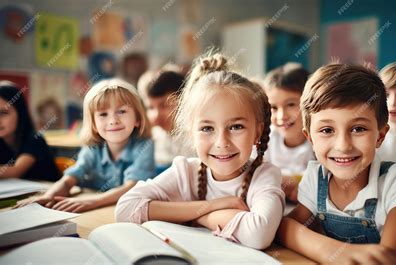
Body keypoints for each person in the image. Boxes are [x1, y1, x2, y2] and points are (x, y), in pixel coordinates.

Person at [116, 53, 285, 249]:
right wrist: (214, 206)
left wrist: (200, 217)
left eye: (236, 127)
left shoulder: (264, 175)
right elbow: (125, 209)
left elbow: (258, 235)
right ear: (191, 133)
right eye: (207, 129)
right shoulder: (185, 171)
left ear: (258, 131)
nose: (222, 142)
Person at [277, 64, 396, 264]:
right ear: (310, 138)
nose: (343, 146)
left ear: (380, 136)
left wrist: (322, 248)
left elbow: (392, 259)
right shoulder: (315, 176)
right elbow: (282, 228)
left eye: (358, 129)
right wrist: (332, 252)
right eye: (327, 130)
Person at [17, 78, 155, 213]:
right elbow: (70, 178)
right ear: (94, 125)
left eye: (122, 111)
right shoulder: (93, 147)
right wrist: (48, 196)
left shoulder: (144, 146)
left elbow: (132, 187)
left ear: (137, 118)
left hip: (119, 211)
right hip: (94, 212)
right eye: (103, 114)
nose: (113, 120)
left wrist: (92, 201)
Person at [0, 81, 59, 181]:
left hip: (46, 193)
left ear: (20, 113)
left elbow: (16, 171)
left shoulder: (35, 140)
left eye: (3, 113)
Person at [263, 63, 315, 202]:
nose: (281, 116)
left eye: (291, 104)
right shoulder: (266, 139)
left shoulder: (319, 139)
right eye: (273, 107)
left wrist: (295, 181)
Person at [138, 64, 192, 170]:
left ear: (184, 100)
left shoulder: (195, 139)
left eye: (164, 105)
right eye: (150, 107)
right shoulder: (152, 138)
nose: (156, 115)